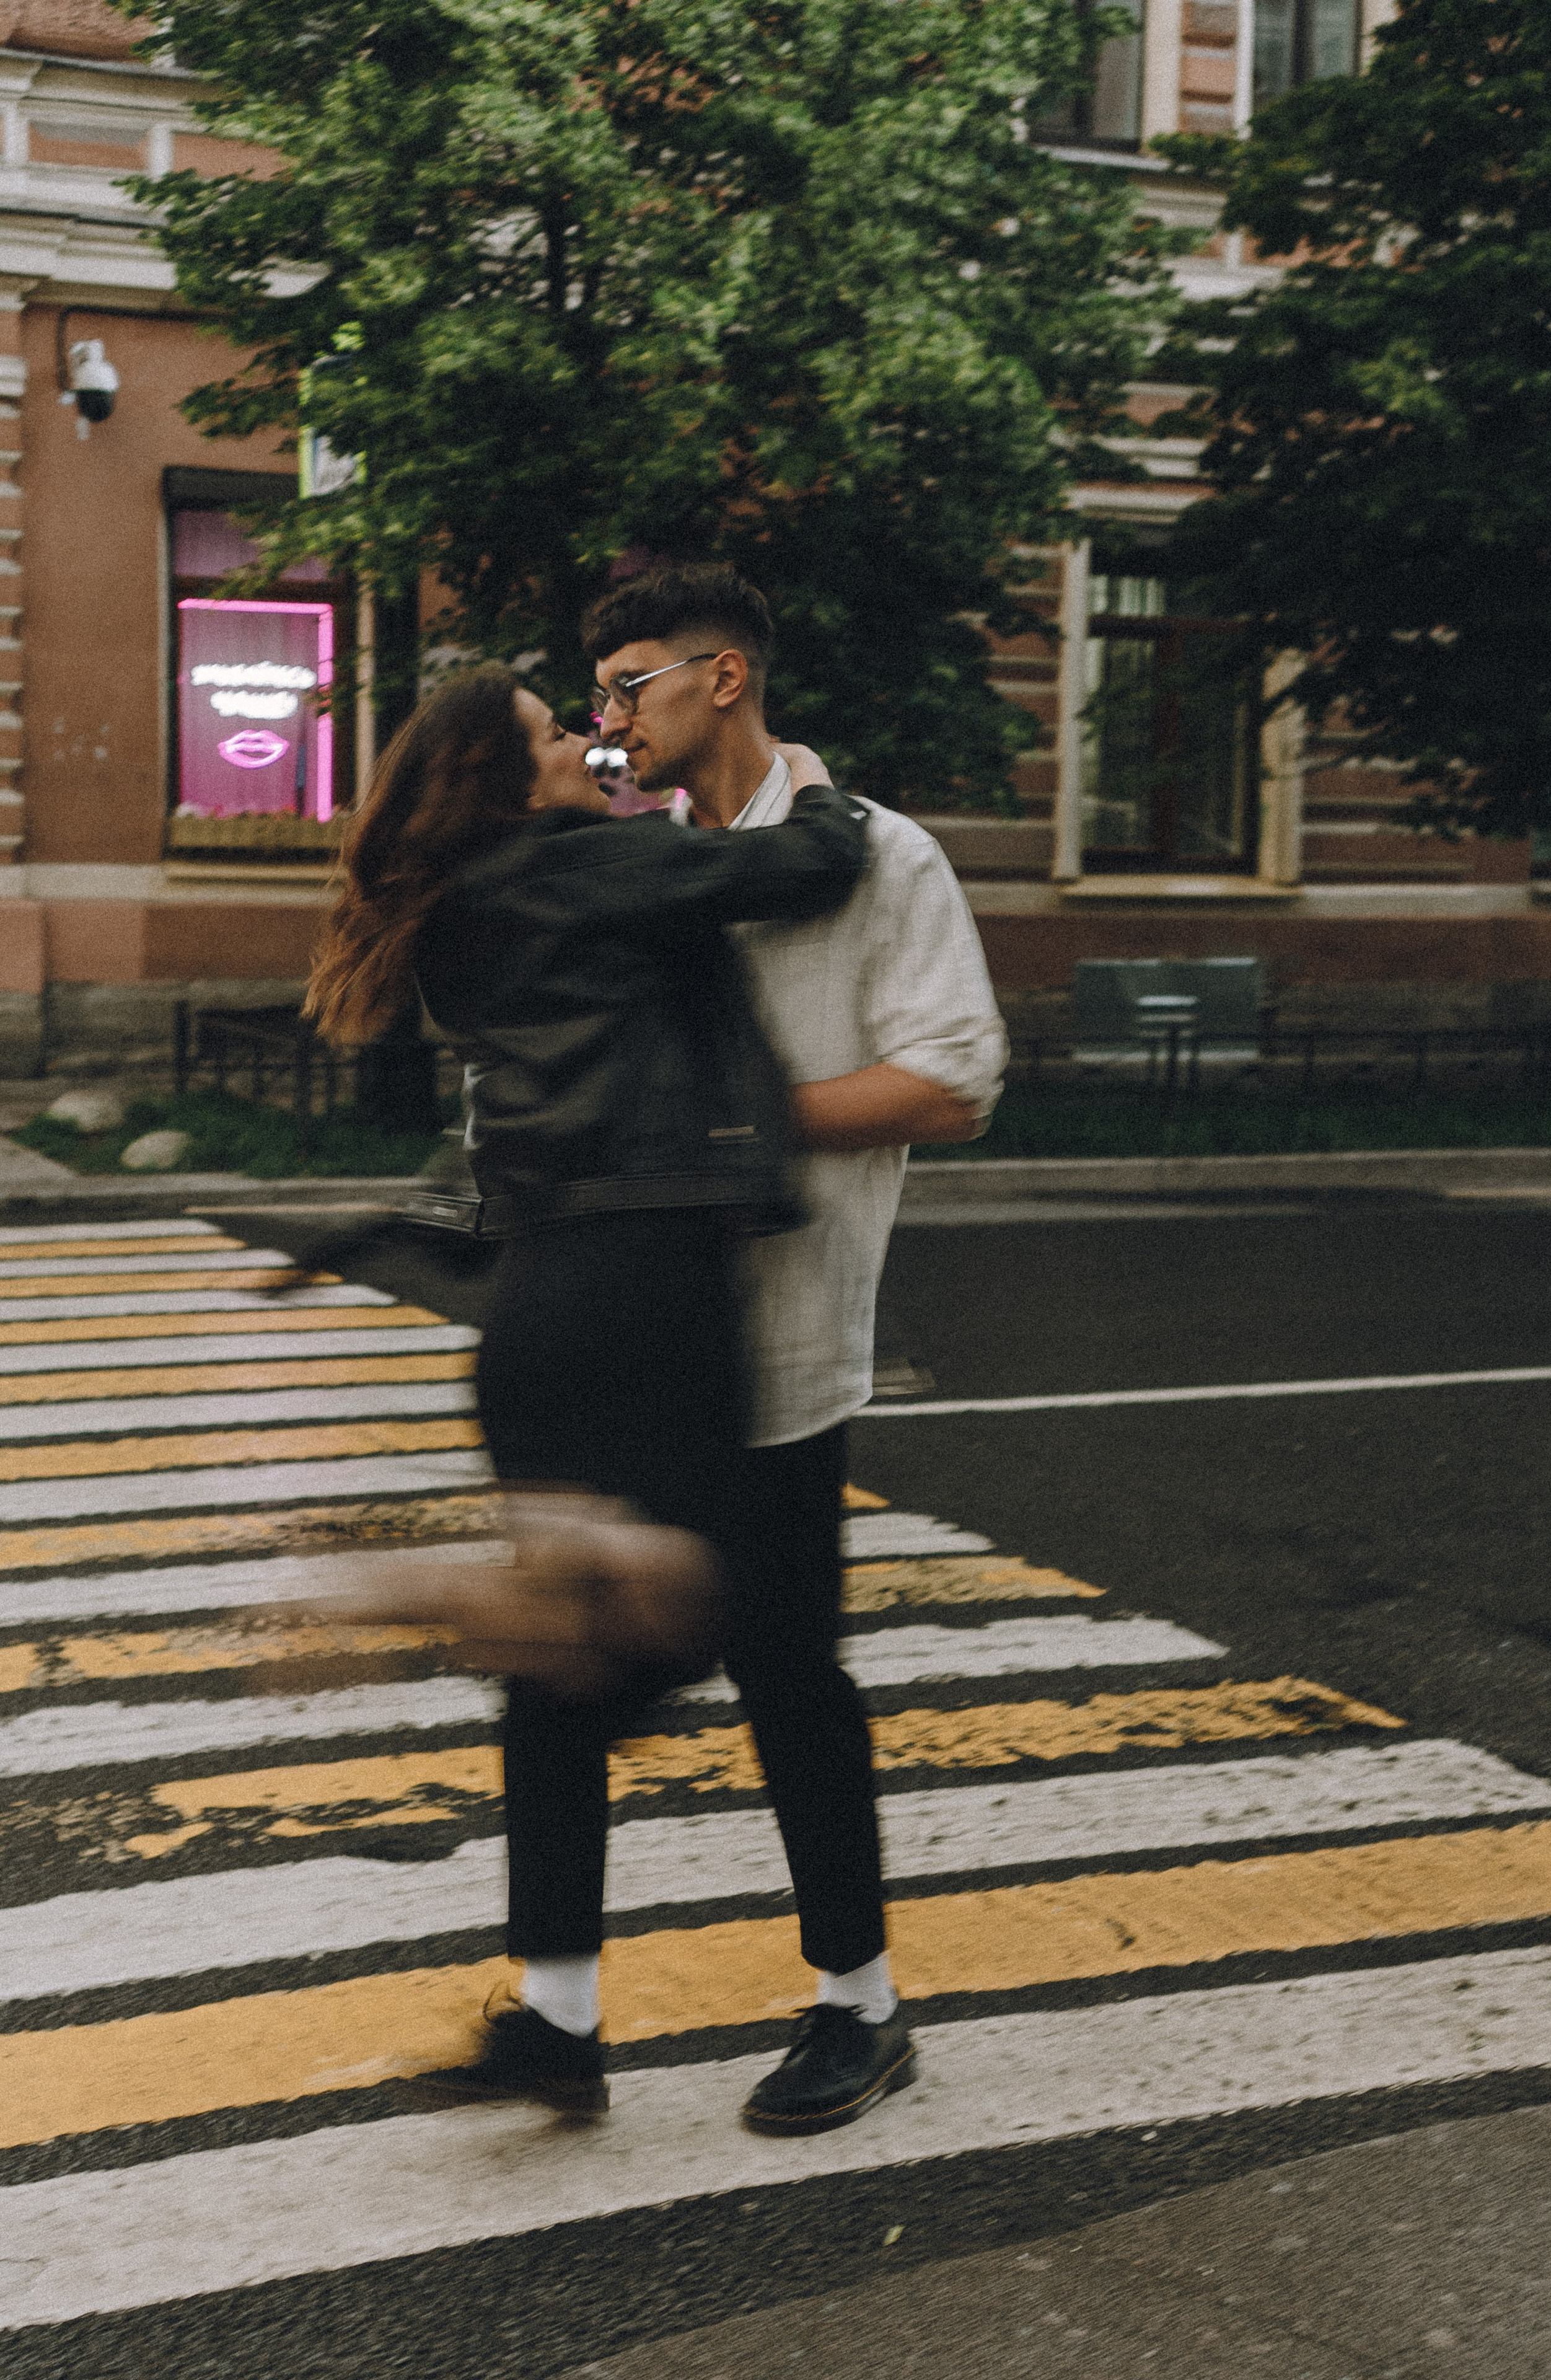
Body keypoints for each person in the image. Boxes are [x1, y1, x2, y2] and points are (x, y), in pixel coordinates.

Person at [304, 660, 869, 2117]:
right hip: (657, 1284)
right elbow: (808, 864)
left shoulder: (457, 913)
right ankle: (587, 1591)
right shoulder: (591, 864)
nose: (589, 744)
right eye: (560, 736)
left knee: (552, 1659)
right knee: (712, 1612)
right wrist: (801, 771)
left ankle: (556, 2016)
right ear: (512, 779)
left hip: (533, 1306)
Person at [581, 563, 1008, 2135]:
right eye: (602, 692)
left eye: (630, 683)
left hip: (776, 1345)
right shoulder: (636, 866)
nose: (609, 717)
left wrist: (734, 1136)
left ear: (724, 677)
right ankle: (559, 2007)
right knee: (597, 1654)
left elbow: (953, 1077)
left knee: (780, 1669)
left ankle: (859, 2007)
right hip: (631, 1334)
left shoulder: (878, 858)